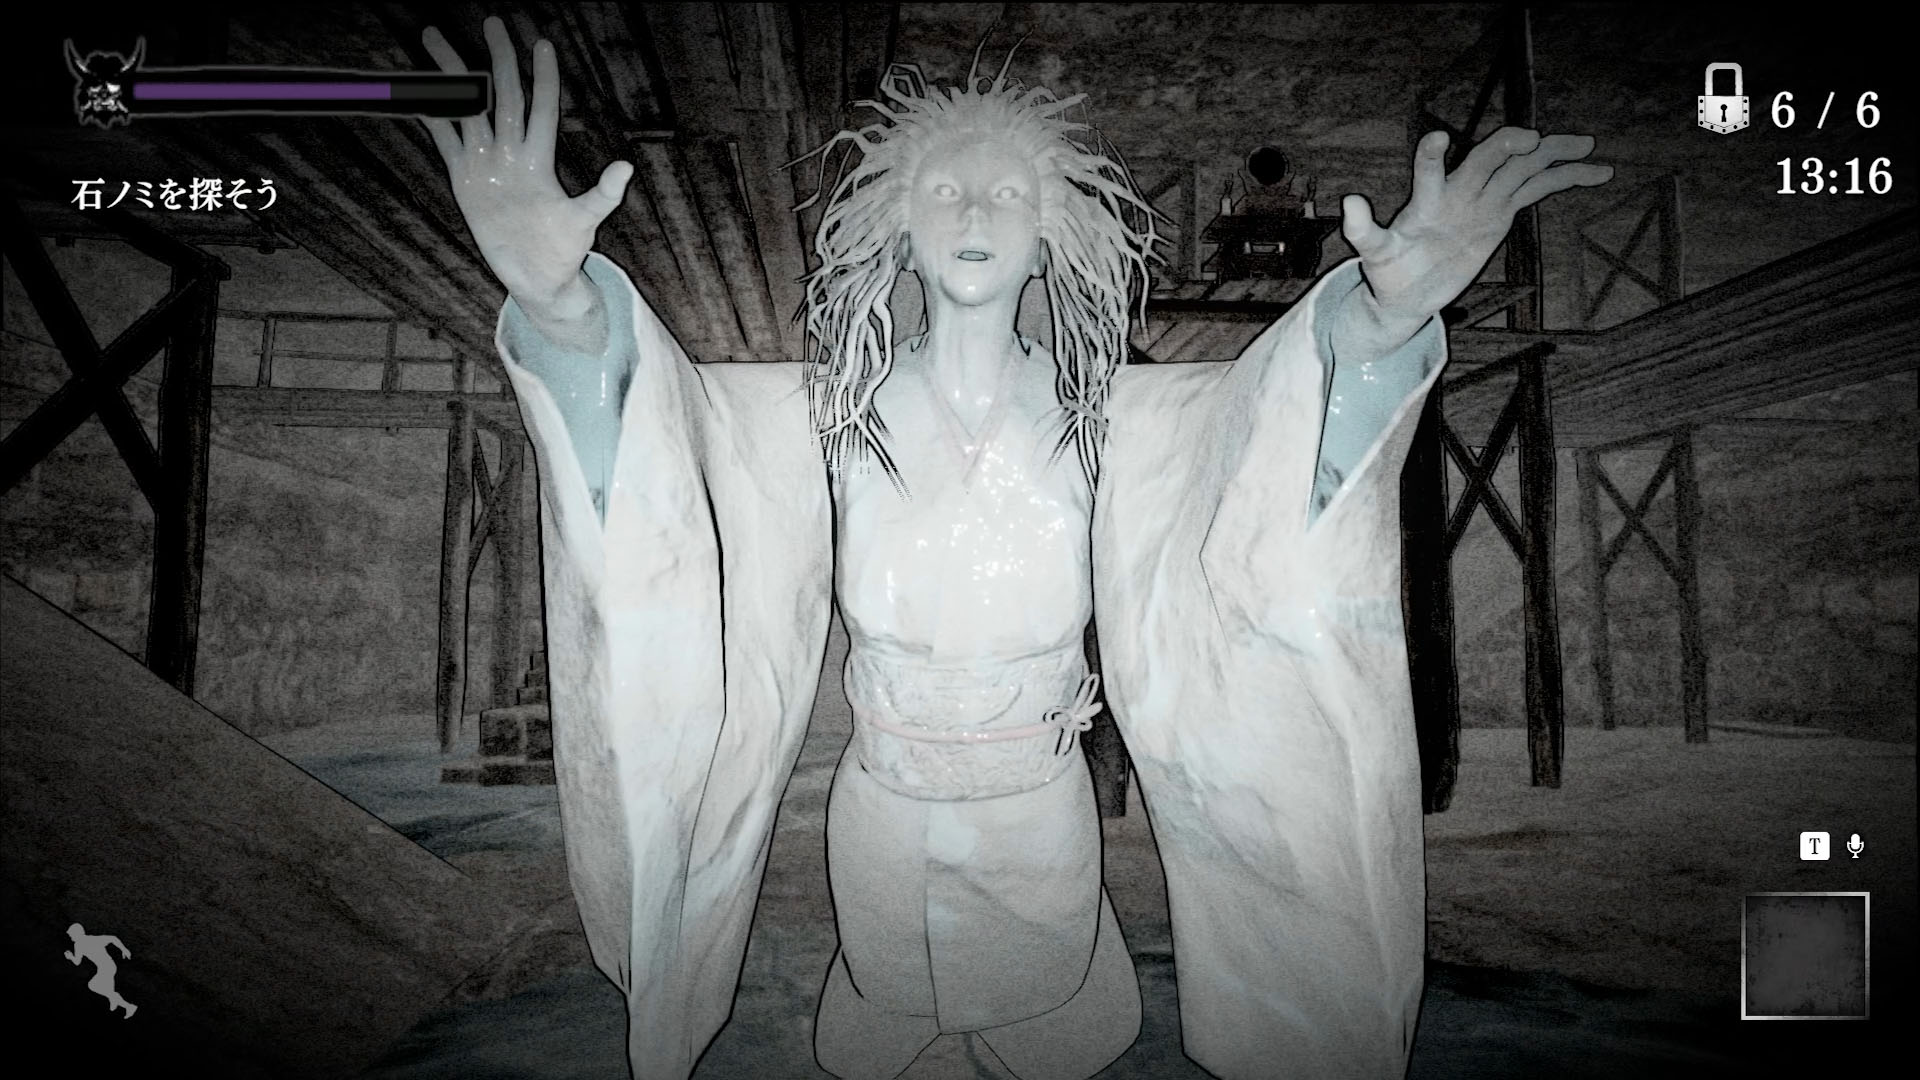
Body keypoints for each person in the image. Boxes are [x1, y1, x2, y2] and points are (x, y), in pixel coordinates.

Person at [421, 17, 1609, 1080]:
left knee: (1051, 1025)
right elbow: (670, 475)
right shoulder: (822, 415)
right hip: (879, 814)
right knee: (887, 1021)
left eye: (1007, 194)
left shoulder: (1119, 421)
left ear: (1049, 238)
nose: (977, 215)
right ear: (900, 226)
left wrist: (1383, 316)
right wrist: (565, 309)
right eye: (945, 190)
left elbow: (1267, 456)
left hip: (1040, 814)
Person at [64, 922, 137, 1018]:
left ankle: (127, 1005)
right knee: (109, 991)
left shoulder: (88, 941)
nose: (70, 937)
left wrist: (124, 949)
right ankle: (116, 1000)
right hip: (105, 967)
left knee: (92, 985)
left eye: (71, 935)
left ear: (77, 933)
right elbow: (78, 962)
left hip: (107, 967)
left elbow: (112, 938)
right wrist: (71, 957)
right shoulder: (81, 943)